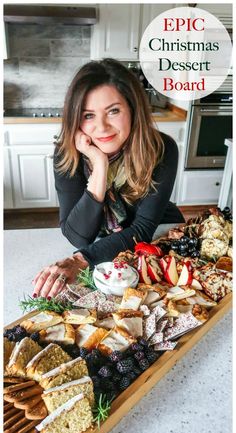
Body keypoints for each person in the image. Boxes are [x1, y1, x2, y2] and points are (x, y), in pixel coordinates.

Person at [33, 58, 184, 299]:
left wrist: (81, 260)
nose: (101, 127)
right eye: (88, 115)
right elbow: (78, 236)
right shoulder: (67, 152)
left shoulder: (162, 149)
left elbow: (143, 229)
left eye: (113, 111)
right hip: (107, 247)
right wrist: (99, 164)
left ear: (132, 109)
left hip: (159, 235)